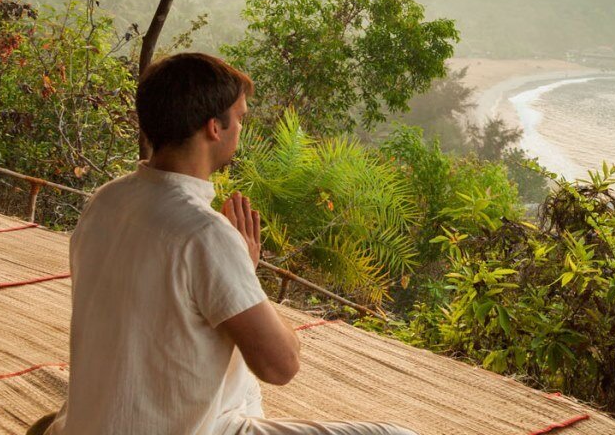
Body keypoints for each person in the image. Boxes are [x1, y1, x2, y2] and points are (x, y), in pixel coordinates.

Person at [32, 53, 416, 435]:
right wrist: (247, 275)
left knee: (242, 389)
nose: (241, 130)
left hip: (87, 425)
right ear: (215, 127)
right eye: (242, 119)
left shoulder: (106, 199)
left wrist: (236, 273)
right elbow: (281, 366)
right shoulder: (204, 233)